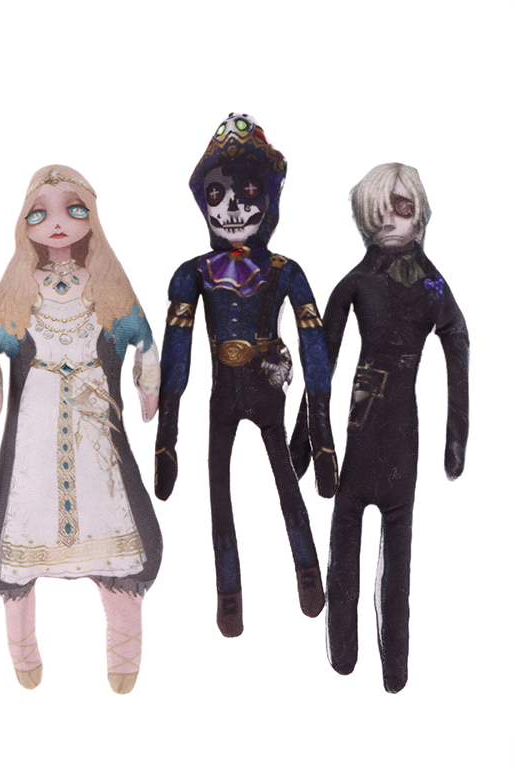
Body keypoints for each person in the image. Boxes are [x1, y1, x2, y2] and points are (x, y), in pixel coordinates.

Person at [0, 165, 162, 694]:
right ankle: (22, 647)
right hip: (34, 416)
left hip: (94, 418)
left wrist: (149, 386)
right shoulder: (19, 287)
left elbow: (144, 340)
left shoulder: (106, 283)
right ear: (24, 223)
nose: (57, 223)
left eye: (73, 209)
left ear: (91, 217)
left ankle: (124, 650)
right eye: (40, 213)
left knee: (115, 512)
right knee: (23, 513)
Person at [155, 114, 337, 637]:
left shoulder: (283, 270)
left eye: (248, 191)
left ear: (271, 197)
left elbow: (314, 350)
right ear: (202, 201)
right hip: (226, 398)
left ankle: (305, 572)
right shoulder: (194, 273)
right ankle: (229, 592)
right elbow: (176, 355)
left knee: (282, 488)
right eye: (218, 193)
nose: (232, 208)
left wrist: (321, 434)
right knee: (220, 495)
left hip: (263, 395)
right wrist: (166, 438)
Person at [290, 162, 469, 692]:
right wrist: (306, 441)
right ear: (364, 217)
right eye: (379, 211)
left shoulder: (432, 286)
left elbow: (458, 340)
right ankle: (343, 652)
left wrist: (456, 438)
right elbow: (320, 362)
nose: (391, 219)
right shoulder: (356, 283)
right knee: (344, 540)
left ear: (421, 213)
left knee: (398, 554)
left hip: (399, 435)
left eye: (403, 207)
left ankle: (395, 669)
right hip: (361, 431)